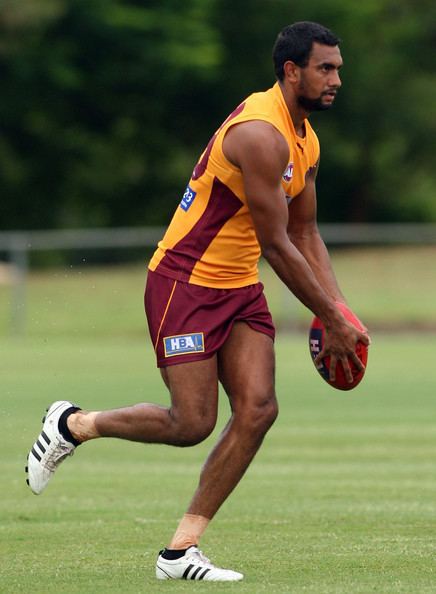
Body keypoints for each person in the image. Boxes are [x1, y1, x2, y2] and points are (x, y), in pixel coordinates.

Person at [26, 21, 370, 582]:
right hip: (184, 284)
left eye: (337, 68)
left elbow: (307, 233)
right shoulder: (261, 133)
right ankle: (72, 425)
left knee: (259, 410)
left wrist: (340, 310)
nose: (336, 78)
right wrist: (329, 318)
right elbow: (277, 244)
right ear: (291, 71)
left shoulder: (306, 139)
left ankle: (180, 552)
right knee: (191, 423)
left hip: (238, 288)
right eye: (324, 68)